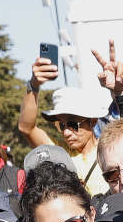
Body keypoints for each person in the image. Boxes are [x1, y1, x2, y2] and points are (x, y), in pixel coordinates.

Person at [18, 55, 112, 195]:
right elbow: (26, 128)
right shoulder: (59, 153)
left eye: (73, 124)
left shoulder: (110, 149)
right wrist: (34, 84)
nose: (66, 132)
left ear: (93, 122)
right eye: (61, 126)